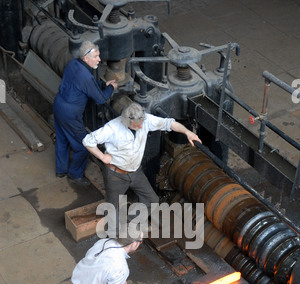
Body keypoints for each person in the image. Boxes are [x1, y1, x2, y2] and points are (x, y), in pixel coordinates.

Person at [82, 102, 202, 210]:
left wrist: (188, 132)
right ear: (127, 122)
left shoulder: (145, 120)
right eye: (136, 125)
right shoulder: (112, 129)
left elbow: (169, 123)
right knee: (113, 207)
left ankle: (133, 222)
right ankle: (112, 233)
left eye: (142, 123)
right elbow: (88, 141)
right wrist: (102, 157)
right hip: (116, 174)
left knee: (152, 201)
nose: (141, 127)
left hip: (136, 172)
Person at [53, 41, 118, 186]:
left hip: (58, 105)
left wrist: (102, 85)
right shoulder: (85, 76)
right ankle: (75, 175)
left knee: (62, 139)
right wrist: (111, 88)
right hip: (71, 114)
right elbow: (100, 99)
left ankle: (60, 170)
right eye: (96, 56)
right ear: (85, 58)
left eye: (99, 56)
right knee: (85, 145)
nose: (99, 60)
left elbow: (85, 84)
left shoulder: (72, 64)